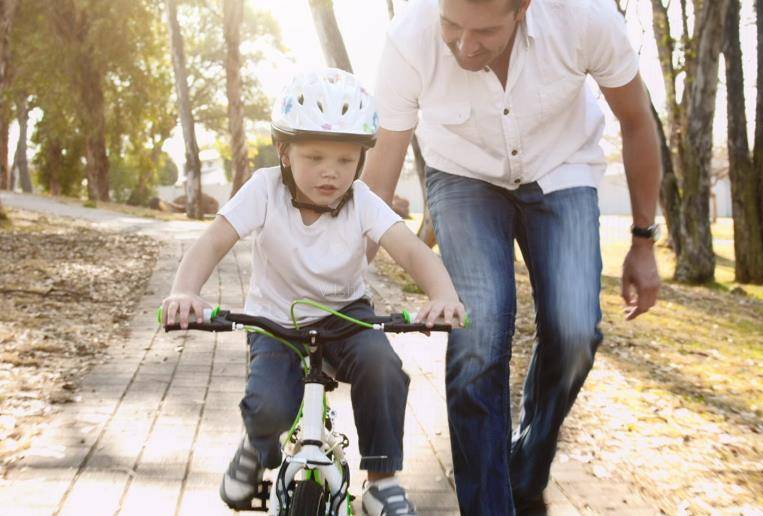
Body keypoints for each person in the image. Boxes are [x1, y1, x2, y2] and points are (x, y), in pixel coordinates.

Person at [362, 0, 662, 513]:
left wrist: (642, 240)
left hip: (562, 166)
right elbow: (382, 166)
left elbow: (636, 121)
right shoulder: (407, 39)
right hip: (462, 177)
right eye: (452, 25)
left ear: (522, 9)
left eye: (483, 32)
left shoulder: (583, 19)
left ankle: (526, 466)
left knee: (575, 333)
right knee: (478, 337)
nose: (462, 45)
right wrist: (343, 274)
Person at [161, 68, 466, 516]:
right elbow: (212, 242)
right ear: (284, 151)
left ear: (360, 161)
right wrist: (184, 291)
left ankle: (382, 481)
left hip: (347, 316)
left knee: (382, 367)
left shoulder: (362, 201)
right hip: (276, 322)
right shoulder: (264, 189)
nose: (331, 172)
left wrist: (442, 294)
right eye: (315, 157)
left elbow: (412, 252)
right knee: (269, 407)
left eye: (345, 160)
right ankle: (256, 448)